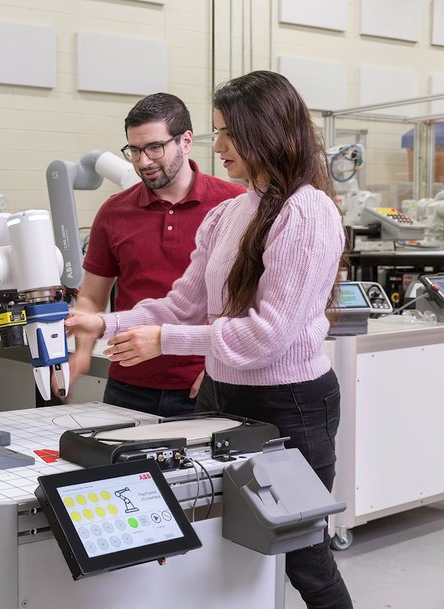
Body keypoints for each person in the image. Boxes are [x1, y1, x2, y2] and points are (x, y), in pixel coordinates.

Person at [66, 71, 352, 609]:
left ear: (268, 132)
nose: (217, 146)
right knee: (218, 545)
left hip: (287, 404)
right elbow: (181, 304)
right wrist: (107, 324)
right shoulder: (230, 213)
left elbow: (268, 334)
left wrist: (163, 342)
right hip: (223, 398)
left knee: (303, 557)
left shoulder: (307, 211)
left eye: (229, 133)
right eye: (217, 131)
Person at [59, 93, 244, 416]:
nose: (143, 161)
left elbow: (247, 301)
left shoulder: (233, 204)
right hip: (128, 382)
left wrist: (218, 367)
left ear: (186, 141)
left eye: (154, 148)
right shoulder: (114, 211)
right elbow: (92, 296)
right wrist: (83, 353)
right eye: (134, 150)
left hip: (204, 383)